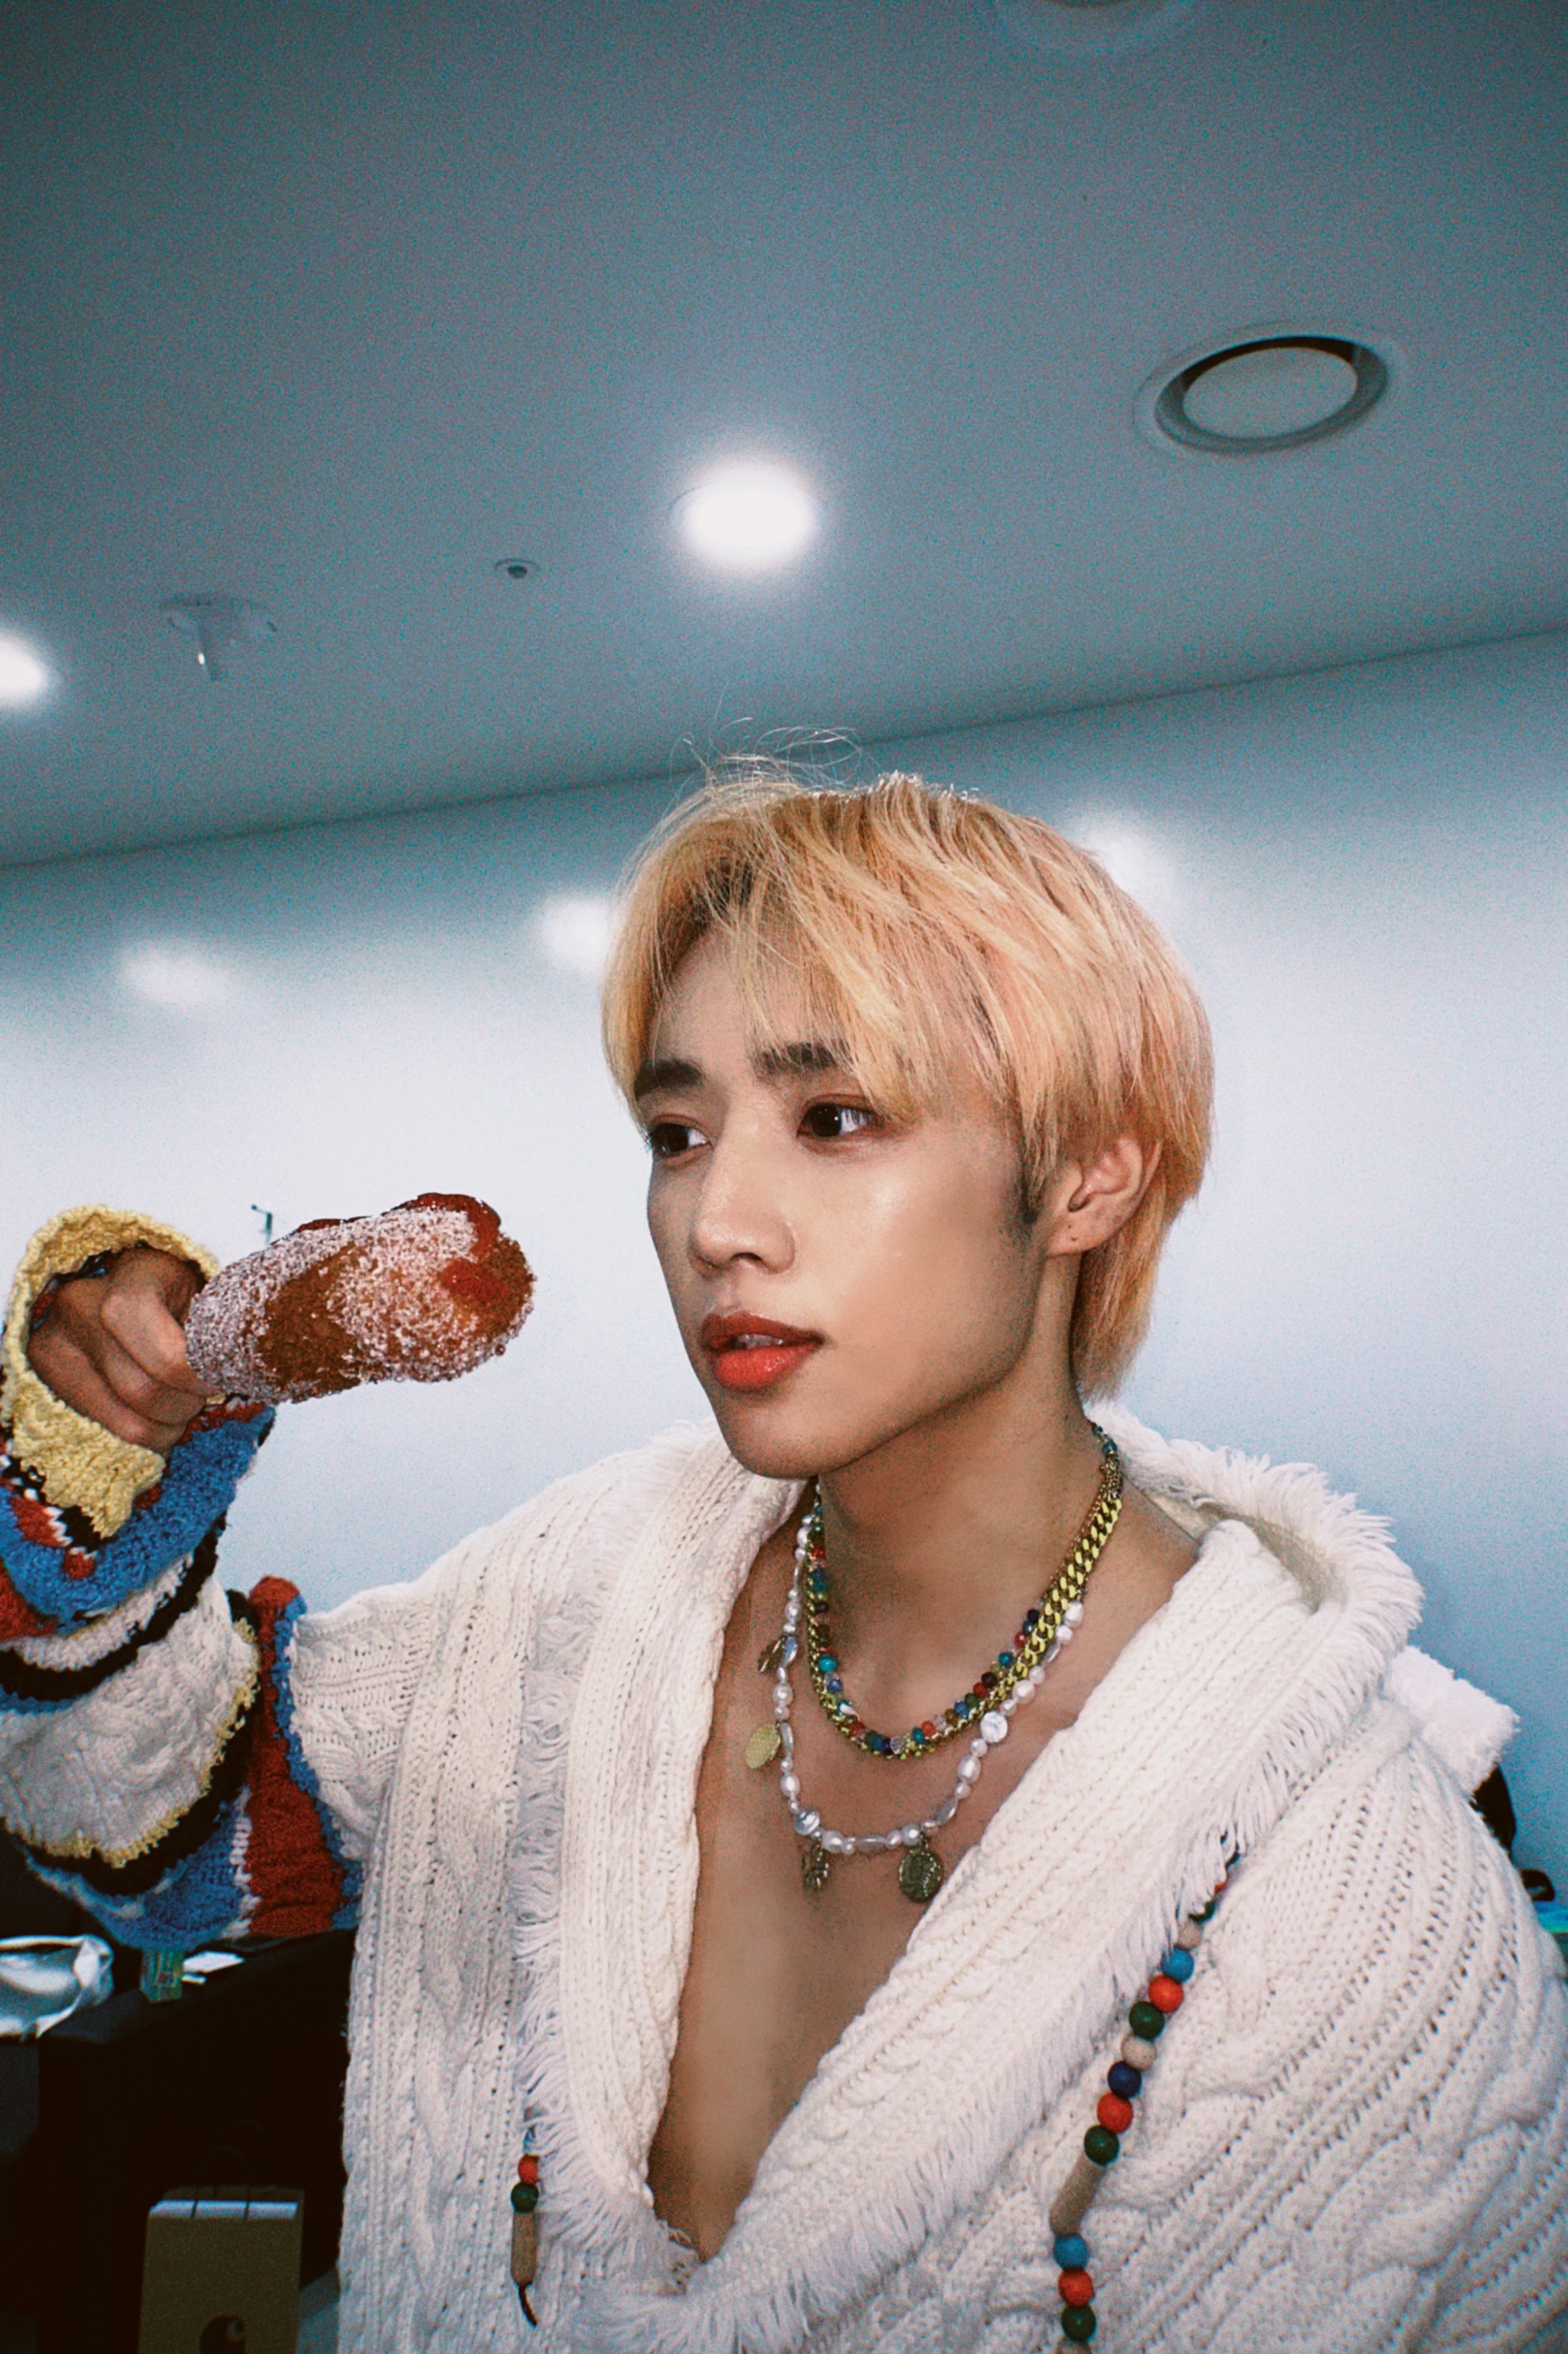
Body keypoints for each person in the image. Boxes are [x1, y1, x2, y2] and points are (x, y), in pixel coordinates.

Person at [0, 771, 1563, 2354]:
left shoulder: (1360, 1916)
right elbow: (154, 1839)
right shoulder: (564, 1601)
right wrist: (96, 1448)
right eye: (678, 1133)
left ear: (1091, 1172)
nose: (716, 1221)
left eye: (835, 1118)